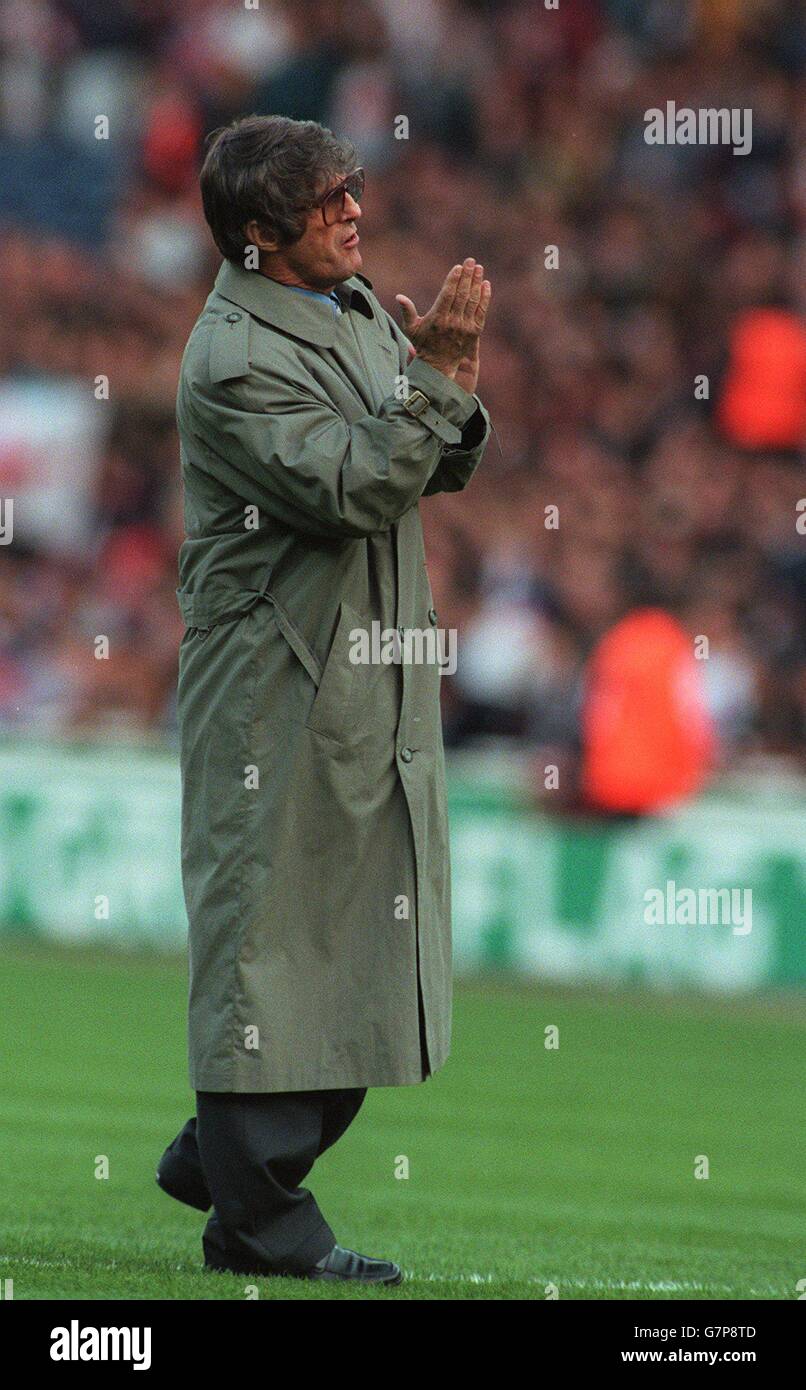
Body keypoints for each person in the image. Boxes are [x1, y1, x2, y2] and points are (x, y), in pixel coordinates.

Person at [156, 114, 492, 1284]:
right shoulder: (233, 357)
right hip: (273, 685)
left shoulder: (345, 312)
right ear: (259, 235)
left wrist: (443, 388)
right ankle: (258, 1220)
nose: (354, 208)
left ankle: (228, 1148)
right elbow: (353, 483)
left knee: (357, 945)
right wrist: (435, 385)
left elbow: (425, 458)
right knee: (268, 941)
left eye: (352, 187)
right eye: (326, 197)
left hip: (369, 669)